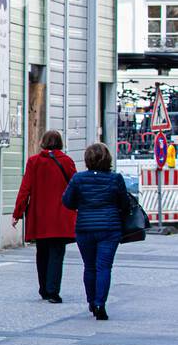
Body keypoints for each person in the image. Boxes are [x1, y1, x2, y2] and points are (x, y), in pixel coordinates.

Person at [62, 142, 130, 321]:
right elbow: (125, 203)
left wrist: (82, 205)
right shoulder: (115, 179)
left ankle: (91, 302)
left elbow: (67, 201)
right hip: (109, 228)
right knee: (104, 267)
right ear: (107, 159)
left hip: (85, 228)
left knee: (89, 266)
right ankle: (101, 304)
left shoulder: (78, 179)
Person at [12, 130, 78, 303]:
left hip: (39, 216)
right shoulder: (67, 162)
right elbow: (75, 187)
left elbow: (25, 189)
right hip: (61, 216)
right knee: (57, 253)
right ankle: (53, 291)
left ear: (43, 142)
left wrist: (17, 214)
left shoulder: (33, 162)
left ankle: (43, 289)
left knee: (41, 252)